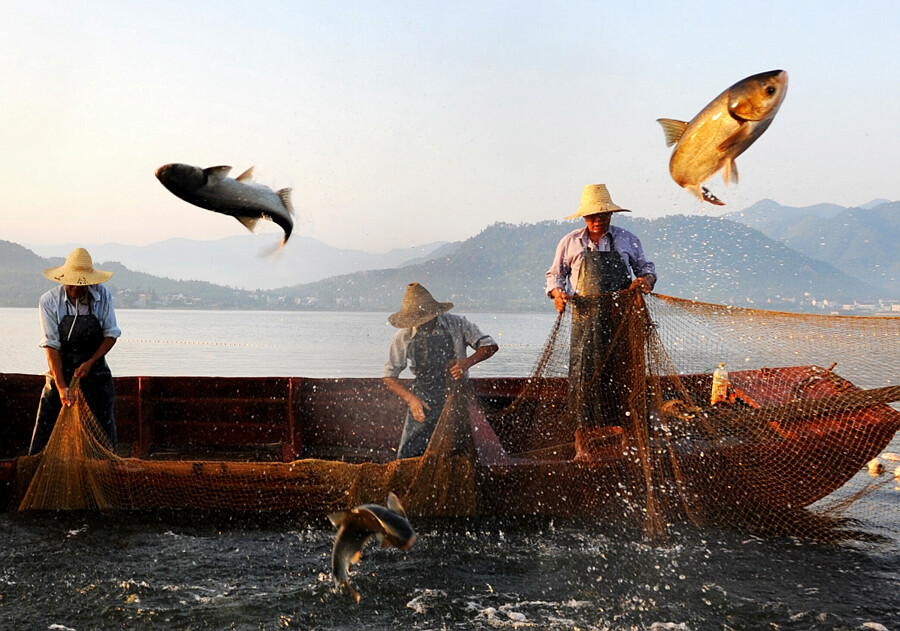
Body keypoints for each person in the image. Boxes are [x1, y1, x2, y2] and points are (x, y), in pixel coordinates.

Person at [383, 282, 498, 459]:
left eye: (425, 320)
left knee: (457, 453)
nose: (421, 325)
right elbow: (389, 377)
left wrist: (465, 363)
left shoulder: (457, 324)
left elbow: (489, 346)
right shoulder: (404, 336)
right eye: (416, 322)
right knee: (408, 454)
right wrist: (411, 400)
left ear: (434, 314)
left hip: (455, 396)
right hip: (423, 399)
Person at [30, 248, 121, 454]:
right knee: (47, 420)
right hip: (61, 366)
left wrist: (90, 362)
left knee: (103, 431)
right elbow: (51, 346)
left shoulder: (102, 295)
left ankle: (105, 465)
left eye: (82, 285)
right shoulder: (49, 301)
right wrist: (62, 387)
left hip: (94, 368)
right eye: (72, 284)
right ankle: (37, 463)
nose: (76, 289)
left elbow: (111, 334)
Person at [546, 183, 656, 310]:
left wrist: (646, 280)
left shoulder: (627, 239)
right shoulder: (571, 241)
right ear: (584, 216)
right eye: (592, 216)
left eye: (603, 214)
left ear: (611, 214)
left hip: (622, 313)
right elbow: (555, 275)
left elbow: (647, 269)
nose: (598, 220)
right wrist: (558, 293)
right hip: (583, 315)